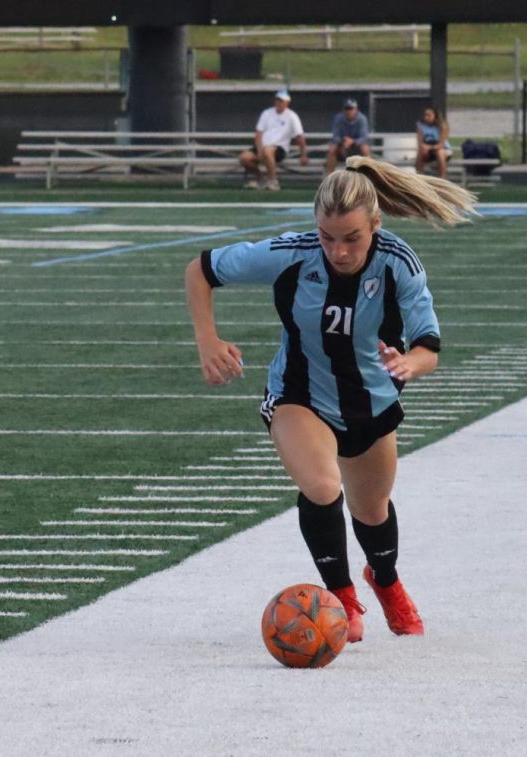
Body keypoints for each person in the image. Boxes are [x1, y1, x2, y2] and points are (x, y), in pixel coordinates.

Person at [185, 156, 476, 642]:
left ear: (375, 224)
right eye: (327, 236)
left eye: (352, 238)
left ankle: (385, 582)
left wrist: (409, 363)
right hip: (299, 394)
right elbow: (201, 270)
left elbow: (429, 346)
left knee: (372, 511)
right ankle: (340, 598)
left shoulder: (398, 263)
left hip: (371, 403)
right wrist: (208, 341)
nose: (338, 251)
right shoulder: (292, 253)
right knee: (322, 487)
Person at [238, 89, 309, 192]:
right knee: (244, 158)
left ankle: (273, 181)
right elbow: (259, 133)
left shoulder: (292, 116)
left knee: (268, 151)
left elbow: (299, 136)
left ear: (287, 103)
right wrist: (259, 150)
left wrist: (304, 155)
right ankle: (261, 178)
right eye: (277, 100)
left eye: (281, 101)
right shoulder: (266, 113)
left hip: (279, 148)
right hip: (263, 147)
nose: (278, 103)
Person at [324, 98, 371, 174]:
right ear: (343, 110)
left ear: (356, 110)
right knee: (332, 149)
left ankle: (369, 175)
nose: (349, 111)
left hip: (357, 148)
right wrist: (343, 142)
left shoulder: (362, 119)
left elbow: (364, 138)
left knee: (365, 148)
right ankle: (329, 177)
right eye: (347, 109)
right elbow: (335, 136)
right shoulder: (338, 118)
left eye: (351, 109)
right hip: (342, 147)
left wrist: (352, 142)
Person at [415, 106, 452, 178]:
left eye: (429, 115)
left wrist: (430, 147)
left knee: (440, 152)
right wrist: (424, 147)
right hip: (428, 150)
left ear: (435, 116)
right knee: (422, 150)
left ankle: (442, 178)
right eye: (425, 115)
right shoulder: (421, 125)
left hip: (443, 149)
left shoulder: (442, 126)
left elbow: (441, 144)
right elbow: (420, 142)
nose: (426, 117)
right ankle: (419, 176)